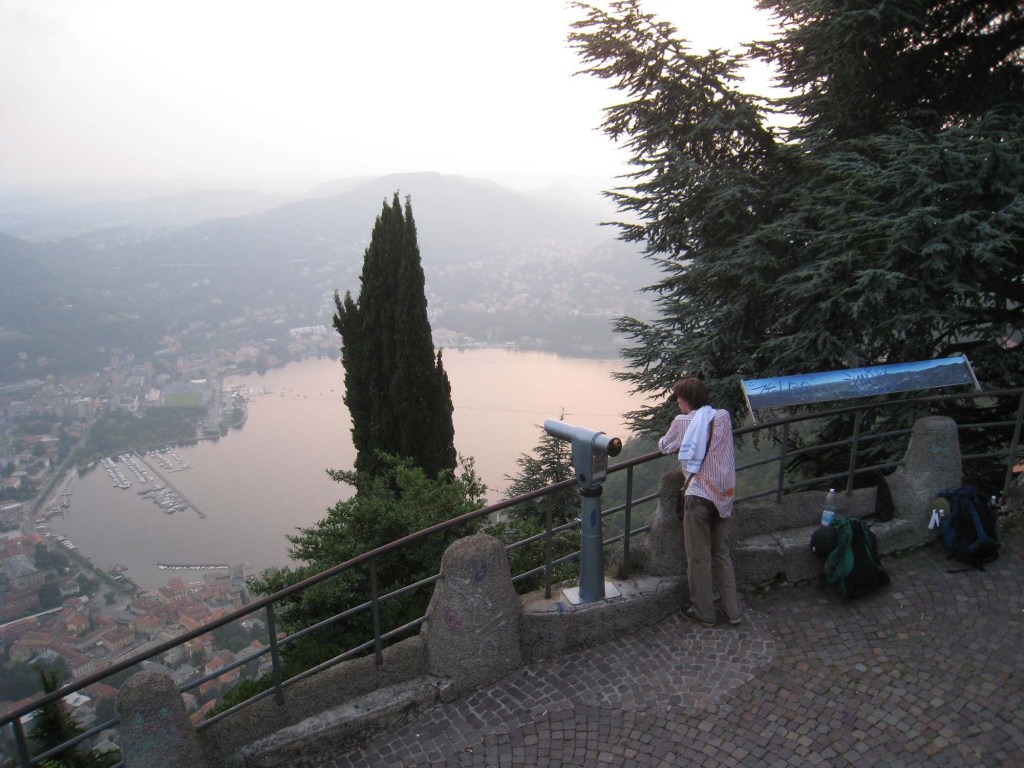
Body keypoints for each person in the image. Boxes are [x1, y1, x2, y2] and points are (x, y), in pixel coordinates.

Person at [658, 377, 741, 626]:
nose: (677, 403)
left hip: (699, 496)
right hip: (724, 494)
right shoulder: (723, 416)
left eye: (678, 399)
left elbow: (664, 446)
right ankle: (733, 610)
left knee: (699, 558)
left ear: (685, 400)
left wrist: (684, 445)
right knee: (721, 553)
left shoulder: (683, 422)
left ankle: (705, 613)